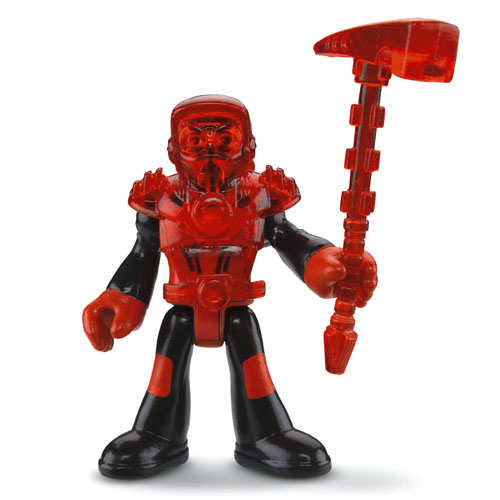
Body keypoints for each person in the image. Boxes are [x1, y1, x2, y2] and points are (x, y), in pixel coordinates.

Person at [83, 95, 377, 478]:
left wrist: (325, 263)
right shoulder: (161, 199)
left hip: (237, 305)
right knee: (167, 365)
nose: (210, 150)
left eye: (225, 139)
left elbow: (288, 238)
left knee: (252, 365)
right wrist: (121, 297)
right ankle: (157, 433)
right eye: (195, 140)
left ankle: (264, 434)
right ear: (173, 150)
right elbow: (144, 253)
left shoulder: (260, 196)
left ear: (248, 147)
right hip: (183, 306)